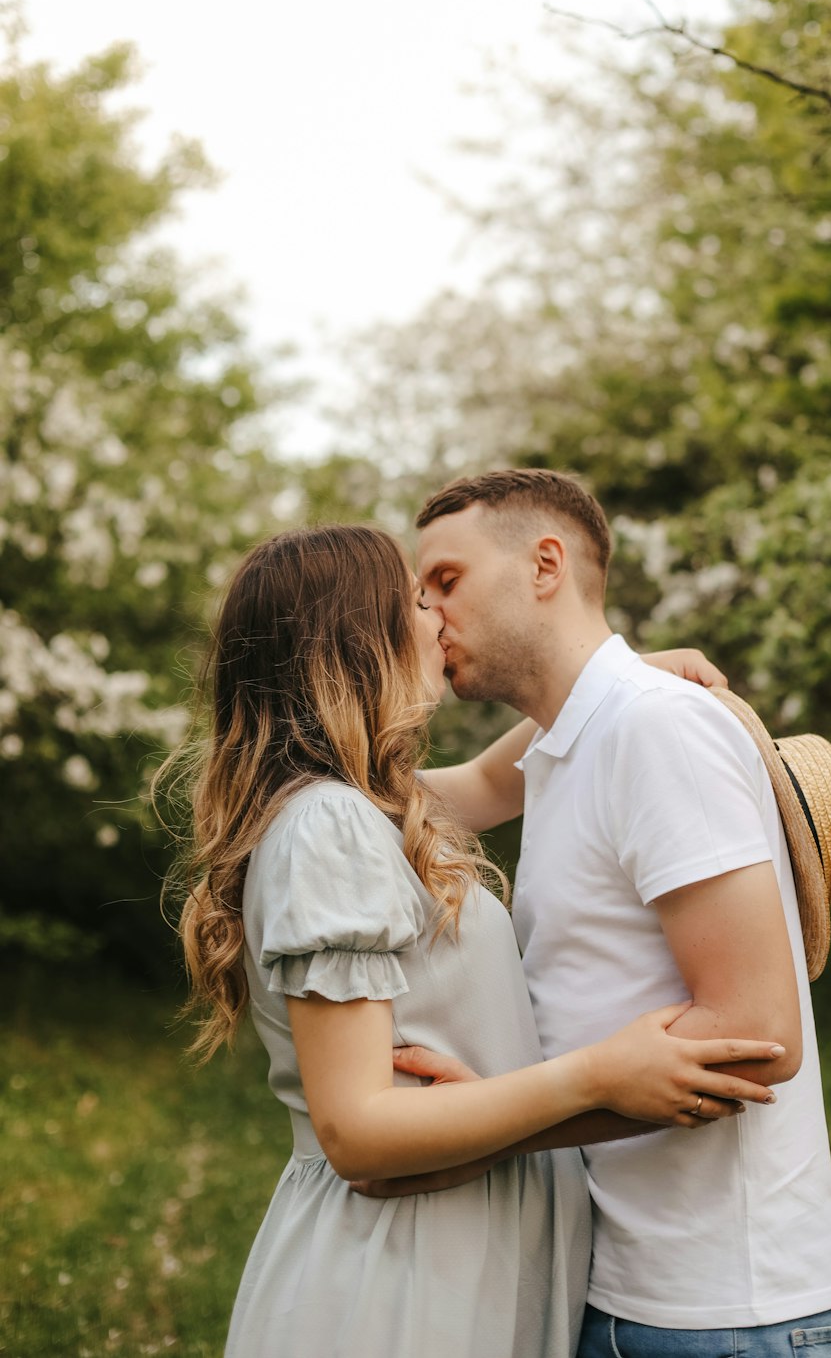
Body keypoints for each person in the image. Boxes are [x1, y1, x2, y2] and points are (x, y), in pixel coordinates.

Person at [161, 523, 786, 1358]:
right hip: (404, 1281)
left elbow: (496, 781)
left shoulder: (364, 808)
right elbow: (359, 1131)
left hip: (453, 1249)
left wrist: (615, 678)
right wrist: (595, 1075)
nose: (438, 620)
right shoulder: (331, 827)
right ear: (356, 640)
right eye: (417, 600)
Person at [407, 470, 831, 1357]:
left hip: (730, 1314)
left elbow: (755, 1033)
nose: (426, 617)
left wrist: (498, 1122)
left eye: (446, 583)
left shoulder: (657, 730)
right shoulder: (574, 743)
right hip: (626, 1291)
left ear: (546, 565)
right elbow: (408, 799)